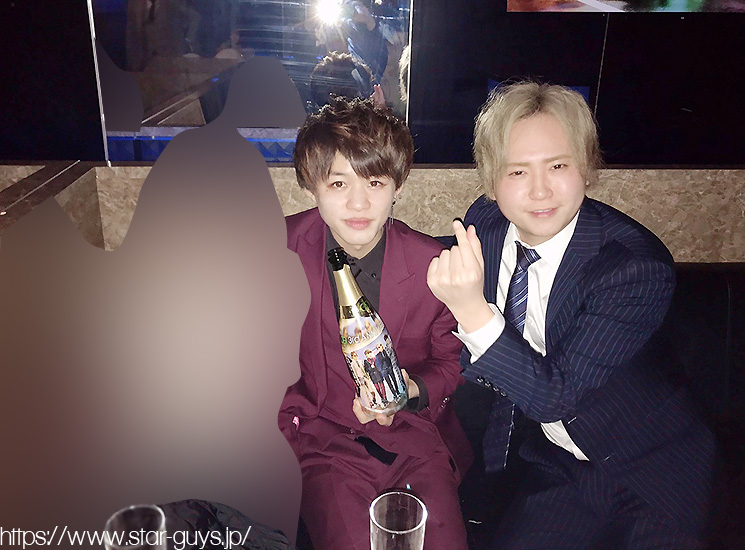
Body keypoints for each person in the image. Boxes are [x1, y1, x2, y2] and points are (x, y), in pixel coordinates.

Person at [427, 81, 716, 548]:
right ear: (491, 182)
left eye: (558, 165)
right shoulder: (485, 225)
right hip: (559, 463)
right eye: (517, 171)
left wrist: (471, 310)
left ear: (585, 167)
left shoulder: (632, 267)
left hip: (654, 468)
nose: (540, 190)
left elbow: (553, 397)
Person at [279, 96, 472, 550]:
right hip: (321, 441)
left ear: (397, 186)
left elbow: (452, 363)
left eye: (375, 181)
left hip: (414, 439)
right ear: (310, 186)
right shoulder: (276, 250)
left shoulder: (432, 265)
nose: (358, 202)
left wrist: (407, 393)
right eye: (338, 182)